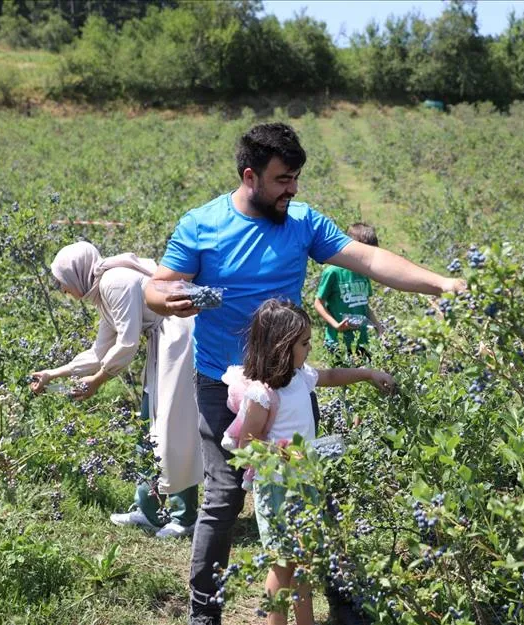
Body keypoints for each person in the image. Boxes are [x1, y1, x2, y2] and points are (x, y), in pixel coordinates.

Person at [143, 122, 464, 624]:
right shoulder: (201, 225)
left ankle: (344, 602)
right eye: (282, 179)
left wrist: (440, 284)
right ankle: (204, 614)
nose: (292, 189)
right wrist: (169, 300)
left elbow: (367, 257)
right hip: (221, 385)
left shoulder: (303, 222)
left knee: (312, 492)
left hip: (287, 384)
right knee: (224, 498)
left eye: (296, 178)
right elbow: (156, 287)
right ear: (250, 175)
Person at [228, 299, 394, 625]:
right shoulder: (262, 394)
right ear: (281, 347)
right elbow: (247, 446)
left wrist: (367, 373)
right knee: (283, 564)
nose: (309, 348)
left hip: (305, 483)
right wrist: (293, 454)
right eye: (304, 343)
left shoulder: (299, 376)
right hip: (278, 489)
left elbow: (330, 375)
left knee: (306, 561)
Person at [30, 242, 203, 538]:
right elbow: (100, 351)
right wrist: (51, 373)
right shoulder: (103, 290)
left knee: (173, 427)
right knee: (149, 428)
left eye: (62, 283)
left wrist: (98, 380)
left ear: (76, 273)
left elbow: (127, 343)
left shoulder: (114, 281)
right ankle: (149, 511)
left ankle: (184, 517)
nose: (62, 290)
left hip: (179, 342)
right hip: (165, 344)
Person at [313, 222, 384, 361]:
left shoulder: (364, 272)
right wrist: (336, 325)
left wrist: (379, 327)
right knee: (341, 380)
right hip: (338, 341)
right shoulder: (333, 272)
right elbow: (318, 303)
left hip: (361, 340)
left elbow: (365, 305)